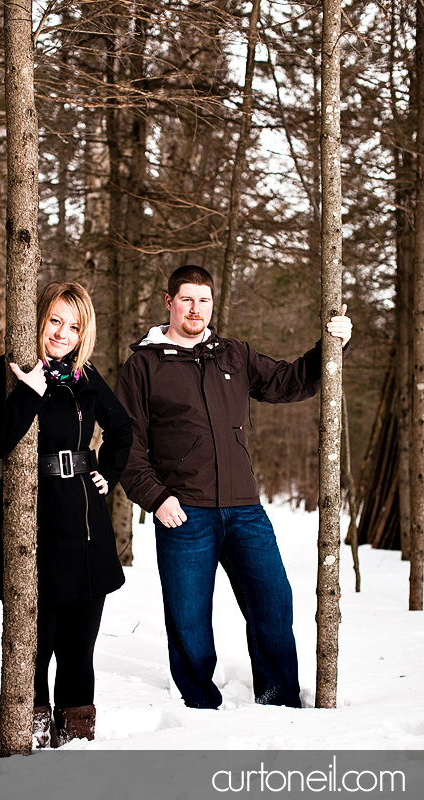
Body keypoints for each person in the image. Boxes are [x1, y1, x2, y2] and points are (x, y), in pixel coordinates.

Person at [115, 265, 352, 711]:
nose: (195, 309)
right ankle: (199, 704)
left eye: (203, 300)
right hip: (184, 511)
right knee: (188, 619)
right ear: (169, 302)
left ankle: (279, 700)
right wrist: (155, 497)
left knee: (274, 604)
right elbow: (127, 444)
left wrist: (331, 346)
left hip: (245, 509)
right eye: (186, 299)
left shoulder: (233, 354)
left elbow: (288, 381)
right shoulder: (143, 365)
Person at [0, 281, 132, 747]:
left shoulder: (84, 377)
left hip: (85, 522)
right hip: (31, 523)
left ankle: (78, 740)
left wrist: (107, 473)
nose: (62, 333)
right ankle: (34, 737)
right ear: (37, 317)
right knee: (34, 648)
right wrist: (28, 394)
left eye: (74, 326)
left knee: (79, 650)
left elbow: (122, 429)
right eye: (55, 320)